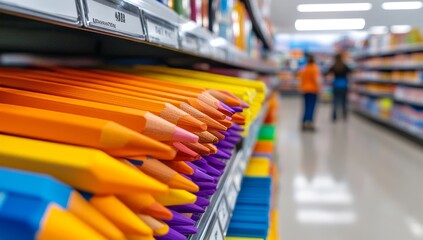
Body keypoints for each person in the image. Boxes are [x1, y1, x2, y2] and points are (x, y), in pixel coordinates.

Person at [326, 53, 352, 122]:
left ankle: (334, 116)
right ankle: (344, 116)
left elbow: (327, 74)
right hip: (344, 85)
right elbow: (350, 73)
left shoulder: (334, 66)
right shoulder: (345, 66)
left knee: (335, 101)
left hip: (336, 85)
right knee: (344, 101)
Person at [299, 55, 320, 131]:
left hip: (305, 89)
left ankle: (304, 122)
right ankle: (310, 123)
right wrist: (319, 88)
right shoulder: (314, 68)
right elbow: (316, 80)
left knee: (305, 106)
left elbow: (301, 79)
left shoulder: (304, 68)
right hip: (313, 90)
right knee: (311, 107)